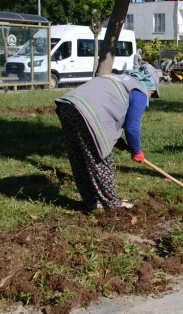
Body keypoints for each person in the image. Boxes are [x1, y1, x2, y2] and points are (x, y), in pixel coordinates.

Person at [54, 64, 160, 211]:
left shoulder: (118, 80)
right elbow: (131, 127)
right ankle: (112, 205)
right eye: (152, 93)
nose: (150, 97)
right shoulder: (139, 91)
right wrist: (137, 151)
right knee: (100, 159)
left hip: (67, 106)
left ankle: (92, 202)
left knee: (79, 158)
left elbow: (105, 112)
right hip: (86, 114)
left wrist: (121, 144)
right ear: (150, 85)